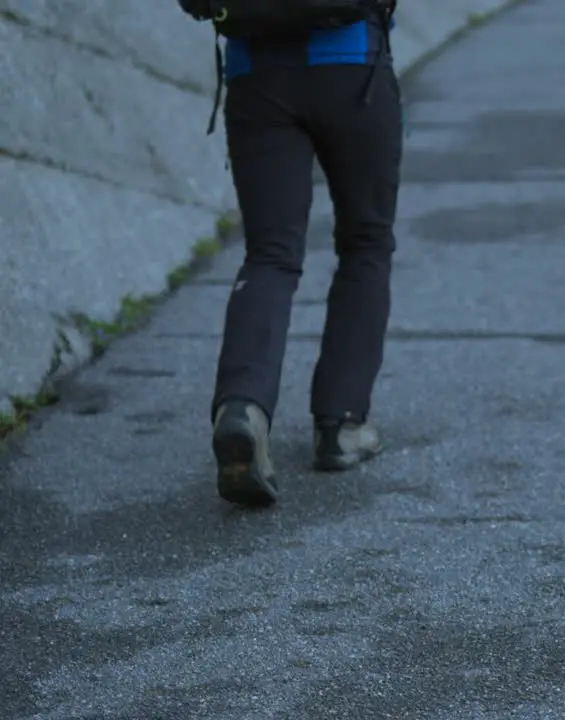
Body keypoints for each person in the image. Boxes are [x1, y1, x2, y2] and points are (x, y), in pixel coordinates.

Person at [175, 0, 403, 507]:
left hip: (256, 75)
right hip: (352, 68)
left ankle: (243, 409)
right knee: (366, 241)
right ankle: (341, 426)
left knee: (270, 254)